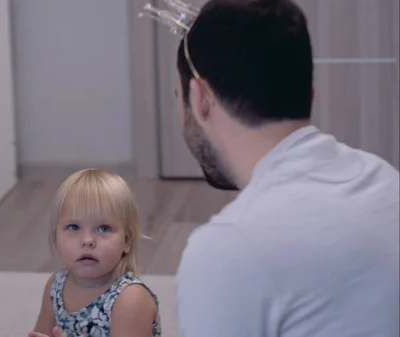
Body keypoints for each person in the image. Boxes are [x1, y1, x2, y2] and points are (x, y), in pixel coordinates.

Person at [145, 0, 399, 336]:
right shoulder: (385, 180)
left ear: (200, 98)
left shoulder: (226, 251)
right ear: (310, 93)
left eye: (178, 95)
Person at [28, 168, 161, 337]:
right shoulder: (55, 286)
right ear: (56, 239)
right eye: (74, 227)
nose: (88, 240)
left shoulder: (130, 299)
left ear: (126, 241)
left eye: (103, 228)